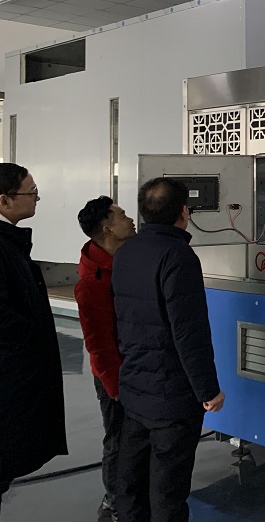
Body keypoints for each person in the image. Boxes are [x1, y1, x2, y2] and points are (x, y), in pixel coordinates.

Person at [112, 177, 224, 522]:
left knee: (131, 485)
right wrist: (208, 390)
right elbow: (189, 333)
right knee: (167, 492)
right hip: (172, 397)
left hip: (135, 389)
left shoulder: (126, 251)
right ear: (184, 212)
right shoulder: (178, 256)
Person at [0, 164, 68, 509]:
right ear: (4, 200)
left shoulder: (9, 243)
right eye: (32, 192)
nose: (37, 198)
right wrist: (31, 336)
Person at [76, 196, 137, 521]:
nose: (130, 219)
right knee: (117, 438)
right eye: (122, 216)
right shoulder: (93, 282)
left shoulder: (124, 258)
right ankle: (114, 499)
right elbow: (98, 344)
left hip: (136, 364)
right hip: (114, 375)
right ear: (107, 229)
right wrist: (113, 386)